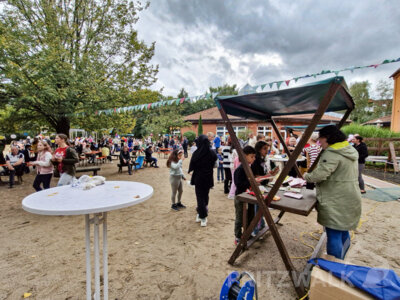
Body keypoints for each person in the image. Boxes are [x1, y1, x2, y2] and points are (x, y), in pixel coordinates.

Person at [304, 125, 361, 259]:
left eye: (320, 139)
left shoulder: (332, 153)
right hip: (350, 196)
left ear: (327, 138)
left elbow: (320, 175)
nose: (319, 143)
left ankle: (334, 265)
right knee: (343, 230)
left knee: (333, 232)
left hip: (336, 198)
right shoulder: (348, 149)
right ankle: (341, 260)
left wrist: (306, 176)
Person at [188, 135, 217, 227]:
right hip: (208, 177)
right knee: (205, 195)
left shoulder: (196, 153)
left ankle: (203, 216)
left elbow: (192, 165)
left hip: (199, 178)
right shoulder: (212, 152)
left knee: (200, 197)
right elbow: (215, 165)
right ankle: (201, 212)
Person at [234, 146, 256, 245]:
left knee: (250, 215)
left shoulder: (249, 167)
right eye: (252, 157)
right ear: (245, 156)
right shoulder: (240, 169)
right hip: (240, 197)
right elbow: (239, 184)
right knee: (240, 217)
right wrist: (250, 182)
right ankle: (238, 236)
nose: (254, 159)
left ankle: (247, 233)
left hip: (249, 196)